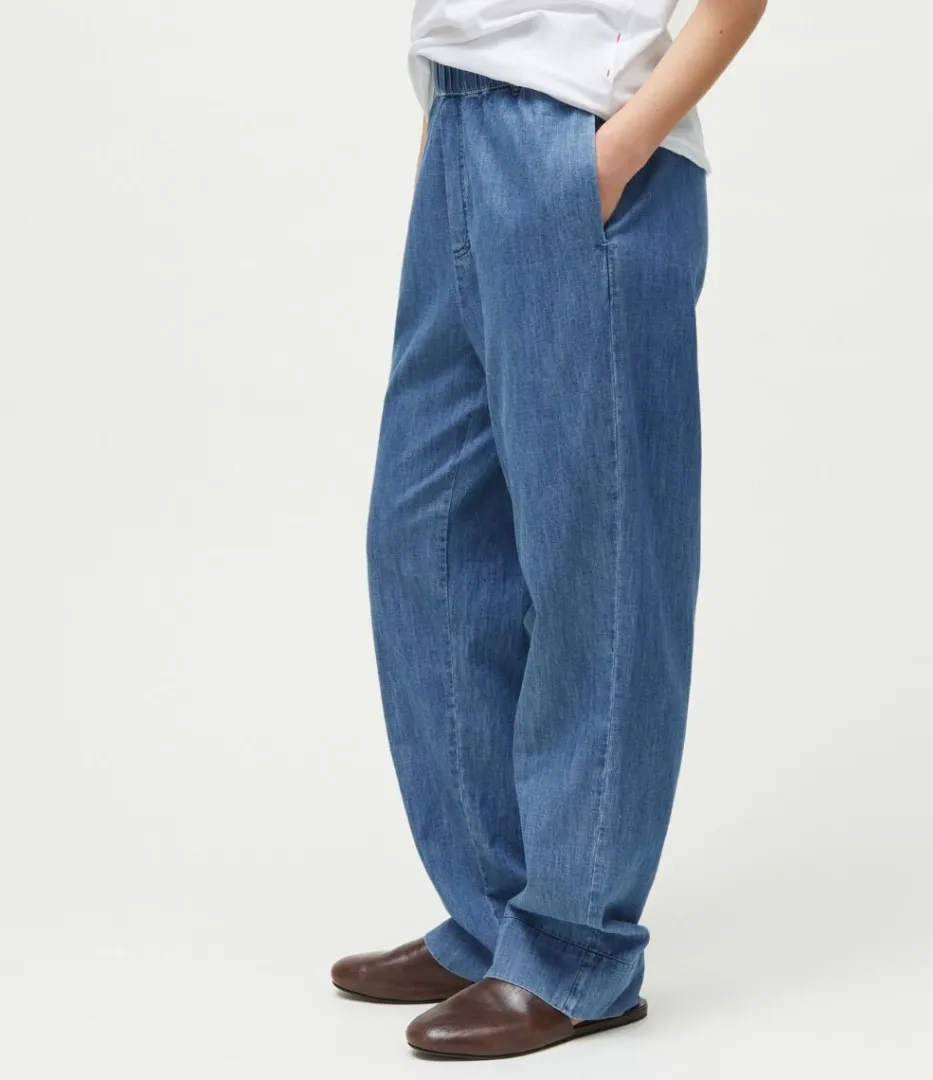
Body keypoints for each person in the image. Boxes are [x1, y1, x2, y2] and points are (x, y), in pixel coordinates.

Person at [332, 0, 767, 1060]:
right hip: (460, 130)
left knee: (598, 562)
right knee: (424, 538)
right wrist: (444, 133)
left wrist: (612, 152)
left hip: (579, 136)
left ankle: (576, 952)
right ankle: (495, 922)